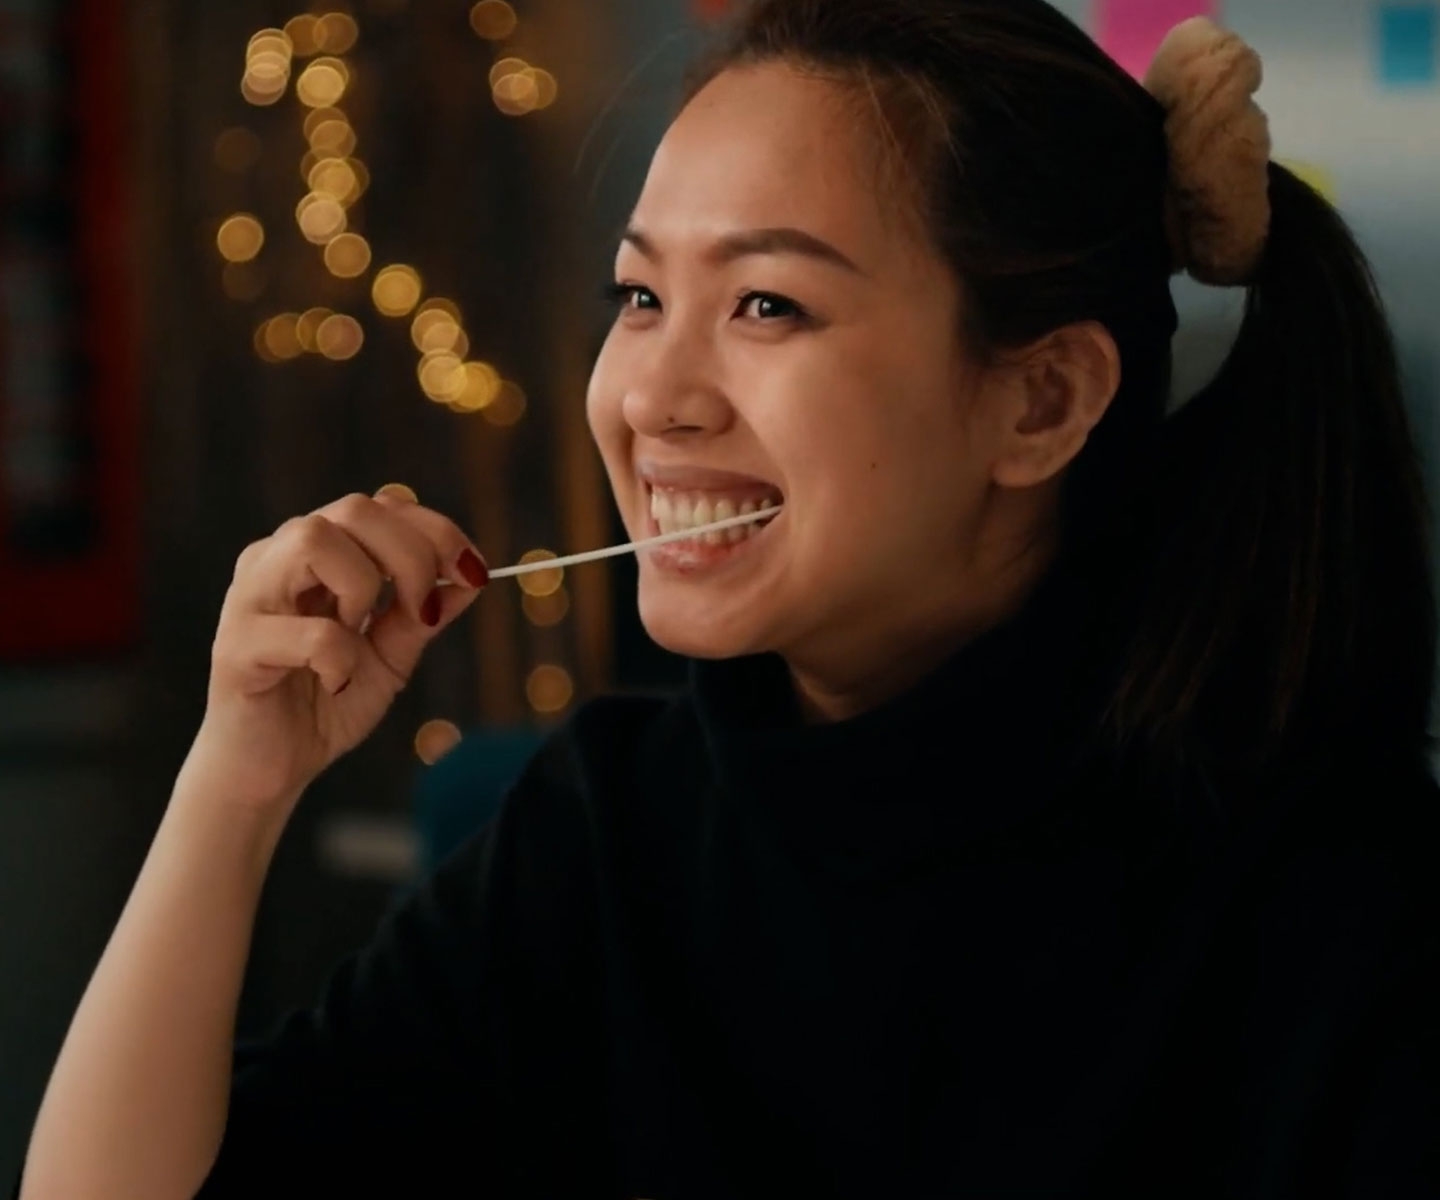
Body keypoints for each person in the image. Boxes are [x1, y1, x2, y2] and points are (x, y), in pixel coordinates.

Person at [19, 1, 1440, 1196]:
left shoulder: (1332, 905)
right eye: (639, 299)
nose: (653, 398)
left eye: (768, 305)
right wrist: (235, 780)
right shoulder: (607, 837)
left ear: (1044, 397)